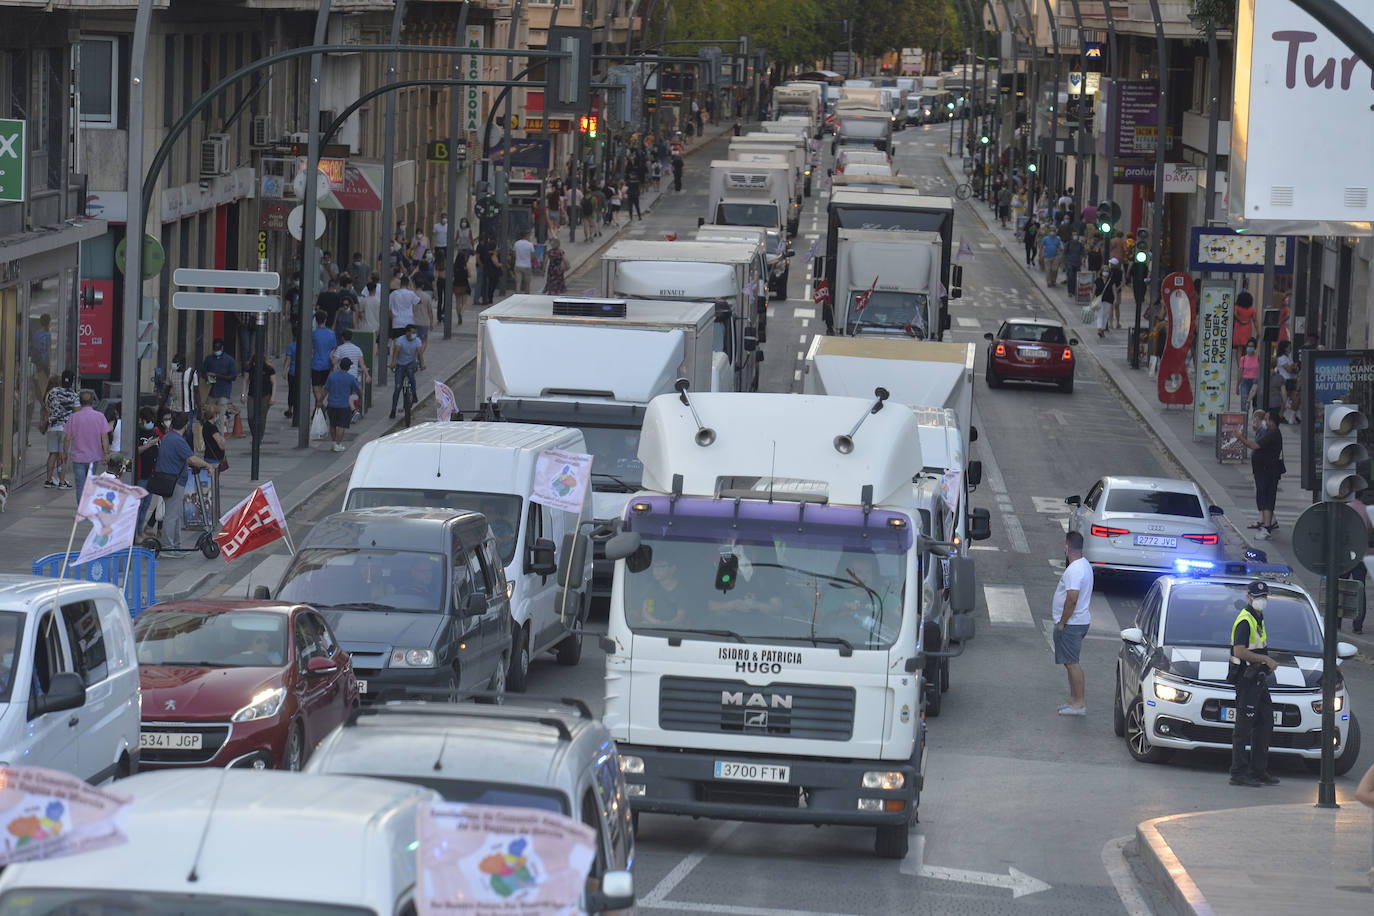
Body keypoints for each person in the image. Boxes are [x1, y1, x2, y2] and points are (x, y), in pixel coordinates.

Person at [1228, 580, 1281, 787]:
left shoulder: (1258, 617)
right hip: (1246, 679)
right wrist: (1265, 659)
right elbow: (1239, 651)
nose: (1262, 600)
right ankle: (1238, 773)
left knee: (1265, 722)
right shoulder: (1245, 620)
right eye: (1258, 597)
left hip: (1258, 678)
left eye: (1264, 597)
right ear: (1249, 597)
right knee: (1243, 728)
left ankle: (1258, 770)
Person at [150, 412, 215, 554]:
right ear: (186, 425)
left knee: (174, 515)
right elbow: (192, 459)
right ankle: (169, 548)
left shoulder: (168, 437)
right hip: (174, 481)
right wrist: (207, 465)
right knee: (172, 516)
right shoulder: (178, 440)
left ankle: (176, 546)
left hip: (167, 480)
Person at [1053, 530, 1093, 715]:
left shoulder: (1074, 570)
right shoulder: (1084, 565)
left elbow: (1072, 599)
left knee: (1072, 663)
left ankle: (1079, 704)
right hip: (1079, 621)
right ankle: (1073, 700)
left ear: (1067, 547)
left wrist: (1062, 622)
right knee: (1069, 662)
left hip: (1072, 623)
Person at [1240, 408, 1284, 538]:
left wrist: (1240, 437)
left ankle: (1266, 527)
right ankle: (1267, 525)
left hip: (1267, 472)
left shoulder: (1272, 434)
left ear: (1271, 422)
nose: (1264, 421)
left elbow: (1255, 445)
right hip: (1264, 471)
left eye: (1266, 419)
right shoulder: (1270, 433)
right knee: (1265, 499)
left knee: (1266, 500)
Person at [64, 390, 108, 499]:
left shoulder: (74, 417)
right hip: (94, 456)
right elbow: (104, 437)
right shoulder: (100, 417)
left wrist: (65, 453)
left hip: (78, 457)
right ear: (92, 401)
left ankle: (81, 507)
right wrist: (106, 453)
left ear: (80, 402)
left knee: (80, 486)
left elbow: (67, 438)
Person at [43, 370, 78, 489]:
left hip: (53, 427)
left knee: (52, 454)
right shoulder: (74, 395)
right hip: (66, 429)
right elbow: (77, 412)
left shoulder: (52, 392)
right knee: (62, 456)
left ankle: (48, 480)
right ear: (72, 381)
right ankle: (62, 481)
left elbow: (47, 406)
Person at [325, 357, 362, 452]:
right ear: (348, 367)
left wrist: (320, 401)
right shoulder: (350, 378)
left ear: (340, 365)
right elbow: (358, 389)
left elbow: (326, 389)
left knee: (332, 424)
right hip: (344, 406)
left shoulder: (332, 376)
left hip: (331, 404)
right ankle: (338, 444)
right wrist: (360, 397)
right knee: (341, 425)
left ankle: (334, 443)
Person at [389, 324, 425, 419]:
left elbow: (420, 354)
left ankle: (414, 393)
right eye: (413, 333)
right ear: (407, 333)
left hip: (411, 364)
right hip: (400, 365)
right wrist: (393, 363)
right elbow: (396, 353)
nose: (414, 335)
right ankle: (393, 409)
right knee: (397, 388)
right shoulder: (400, 340)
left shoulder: (417, 341)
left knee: (410, 373)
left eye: (415, 333)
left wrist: (422, 364)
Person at [134, 406, 159, 535]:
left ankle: (139, 532)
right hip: (141, 475)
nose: (150, 423)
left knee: (146, 505)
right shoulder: (137, 432)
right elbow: (135, 451)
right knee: (139, 505)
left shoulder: (154, 433)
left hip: (151, 475)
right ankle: (135, 533)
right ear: (142, 420)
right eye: (148, 421)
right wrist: (148, 445)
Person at [241, 354, 276, 442]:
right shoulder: (250, 369)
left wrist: (272, 397)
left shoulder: (269, 369)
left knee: (262, 417)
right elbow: (245, 381)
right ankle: (255, 434)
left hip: (265, 395)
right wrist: (243, 395)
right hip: (252, 395)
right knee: (251, 416)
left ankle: (259, 438)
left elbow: (274, 383)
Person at [310, 310, 337, 411]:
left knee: (315, 387)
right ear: (325, 319)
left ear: (316, 320)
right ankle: (319, 407)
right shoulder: (331, 334)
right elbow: (334, 349)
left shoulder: (313, 334)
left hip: (316, 364)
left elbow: (312, 350)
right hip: (327, 365)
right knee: (323, 387)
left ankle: (320, 405)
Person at [388, 273, 419, 340]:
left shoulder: (393, 294)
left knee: (397, 341)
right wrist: (412, 287)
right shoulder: (411, 293)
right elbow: (418, 301)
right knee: (412, 340)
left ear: (400, 283)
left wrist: (392, 318)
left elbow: (389, 309)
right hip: (410, 321)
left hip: (397, 322)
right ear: (408, 284)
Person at [1275, 339, 1299, 423]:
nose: (1290, 348)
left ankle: (1293, 416)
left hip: (1292, 380)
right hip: (1285, 380)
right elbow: (1289, 369)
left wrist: (1294, 368)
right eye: (1289, 347)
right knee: (1284, 400)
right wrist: (1293, 367)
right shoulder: (1281, 358)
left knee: (1296, 398)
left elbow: (1295, 369)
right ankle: (1280, 416)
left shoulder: (1288, 358)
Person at [170, 353, 200, 417]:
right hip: (174, 409)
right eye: (173, 362)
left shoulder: (192, 373)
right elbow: (166, 391)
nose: (173, 365)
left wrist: (199, 408)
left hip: (187, 410)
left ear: (182, 364)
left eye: (175, 363)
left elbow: (196, 391)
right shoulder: (171, 373)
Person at [1237, 340, 1260, 412]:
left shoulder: (1258, 358)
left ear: (1255, 348)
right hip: (1245, 382)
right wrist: (1237, 385)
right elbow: (1240, 372)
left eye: (1252, 346)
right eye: (1248, 346)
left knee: (1256, 404)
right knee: (1244, 403)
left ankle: (1256, 417)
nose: (1250, 348)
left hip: (1256, 382)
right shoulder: (1243, 359)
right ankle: (1244, 417)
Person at [1063, 234, 1084, 301]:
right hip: (1070, 263)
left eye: (1076, 236)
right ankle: (1070, 291)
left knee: (1076, 278)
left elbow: (1083, 253)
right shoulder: (1068, 244)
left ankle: (1075, 290)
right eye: (1074, 235)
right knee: (1070, 277)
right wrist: (1064, 263)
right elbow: (1064, 253)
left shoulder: (1080, 245)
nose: (1075, 237)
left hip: (1077, 263)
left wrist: (1083, 260)